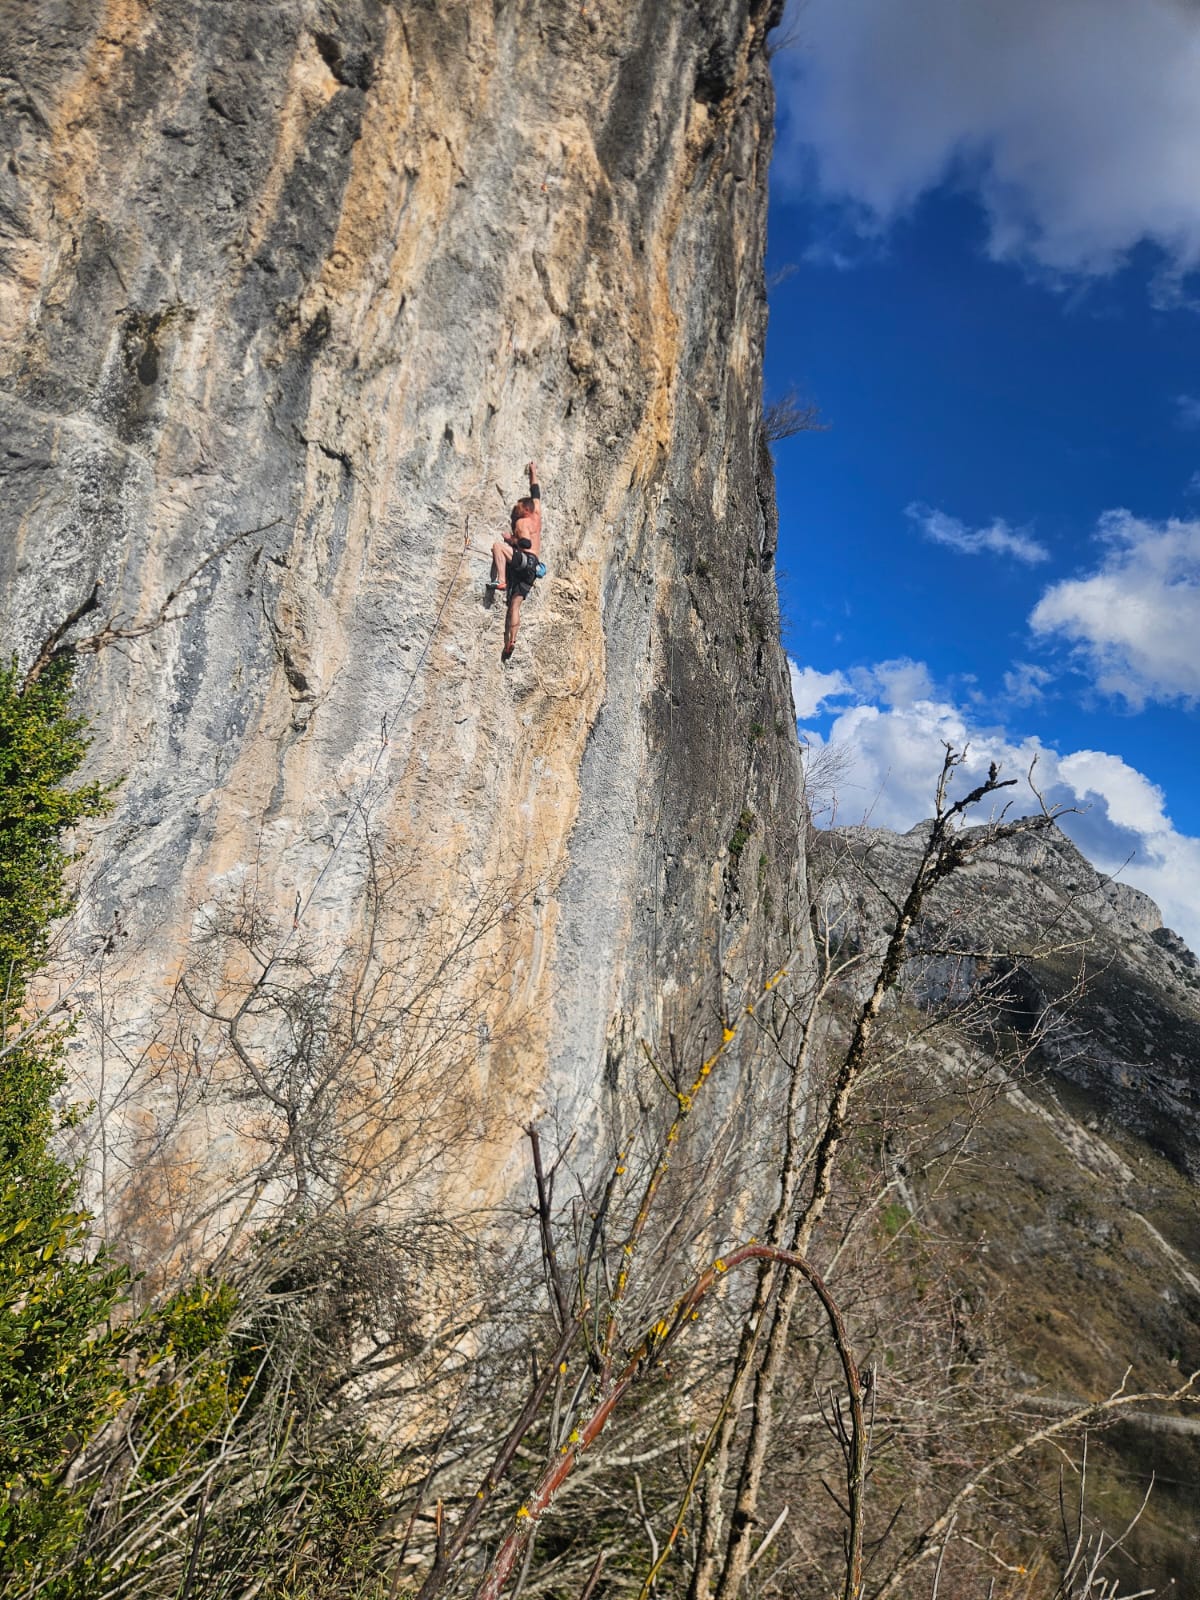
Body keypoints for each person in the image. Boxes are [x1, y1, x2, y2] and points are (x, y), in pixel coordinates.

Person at [490, 461, 542, 662]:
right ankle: (511, 640)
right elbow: (536, 493)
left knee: (497, 547)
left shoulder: (522, 522)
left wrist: (509, 539)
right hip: (533, 569)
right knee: (515, 606)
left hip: (524, 561)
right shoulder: (537, 515)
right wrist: (533, 473)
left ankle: (501, 579)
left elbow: (525, 541)